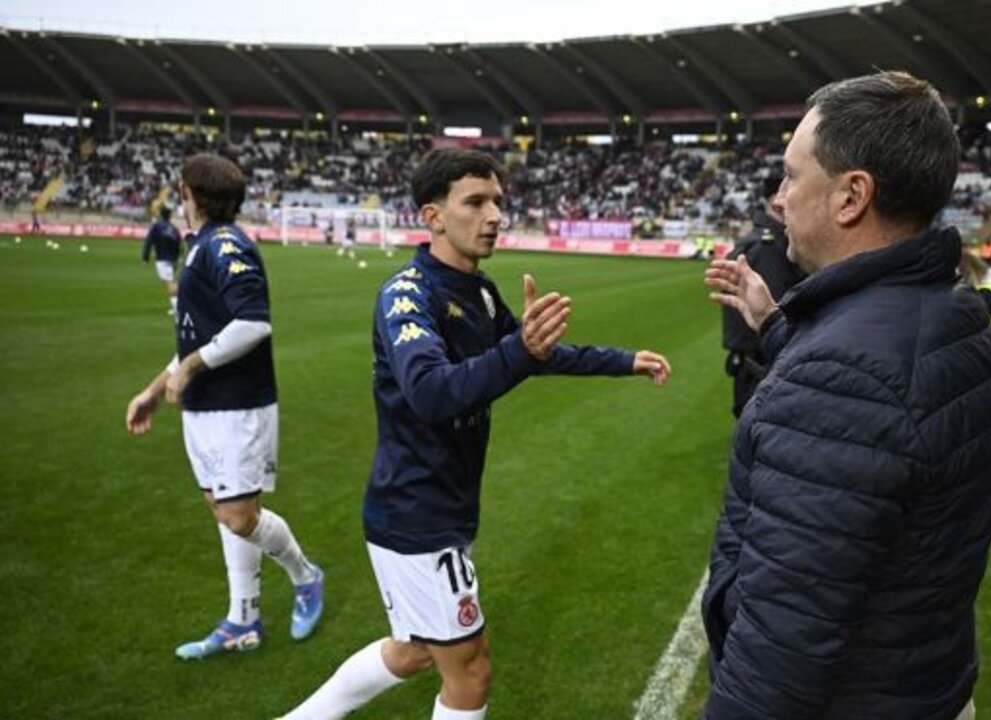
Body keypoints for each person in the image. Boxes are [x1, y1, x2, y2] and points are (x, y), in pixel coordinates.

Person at [280, 148, 671, 720]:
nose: (494, 215)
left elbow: (534, 356)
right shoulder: (407, 295)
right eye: (476, 202)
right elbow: (433, 394)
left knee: (415, 652)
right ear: (432, 216)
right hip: (416, 510)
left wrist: (622, 360)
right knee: (471, 671)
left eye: (498, 202)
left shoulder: (481, 293)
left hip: (446, 503)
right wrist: (519, 350)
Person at [702, 71, 991, 720]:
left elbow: (783, 643)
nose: (780, 200)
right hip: (926, 683)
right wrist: (777, 327)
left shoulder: (843, 378)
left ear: (851, 196)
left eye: (792, 176)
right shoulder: (958, 318)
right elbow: (884, 414)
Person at [124, 153, 325, 660]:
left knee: (240, 515)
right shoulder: (200, 248)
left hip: (238, 405)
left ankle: (307, 577)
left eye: (181, 191)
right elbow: (199, 335)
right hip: (204, 406)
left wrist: (190, 368)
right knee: (222, 509)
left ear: (190, 193)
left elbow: (253, 322)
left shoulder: (228, 244)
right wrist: (156, 387)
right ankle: (243, 620)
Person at [720, 174, 804, 417]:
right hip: (761, 362)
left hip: (754, 362)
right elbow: (777, 315)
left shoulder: (762, 242)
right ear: (779, 203)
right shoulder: (768, 248)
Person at [141, 205, 183, 314]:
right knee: (171, 282)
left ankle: (178, 308)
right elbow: (179, 244)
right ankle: (178, 305)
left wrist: (145, 257)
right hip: (173, 259)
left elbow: (149, 241)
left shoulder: (156, 226)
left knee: (169, 284)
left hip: (162, 259)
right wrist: (177, 258)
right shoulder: (174, 228)